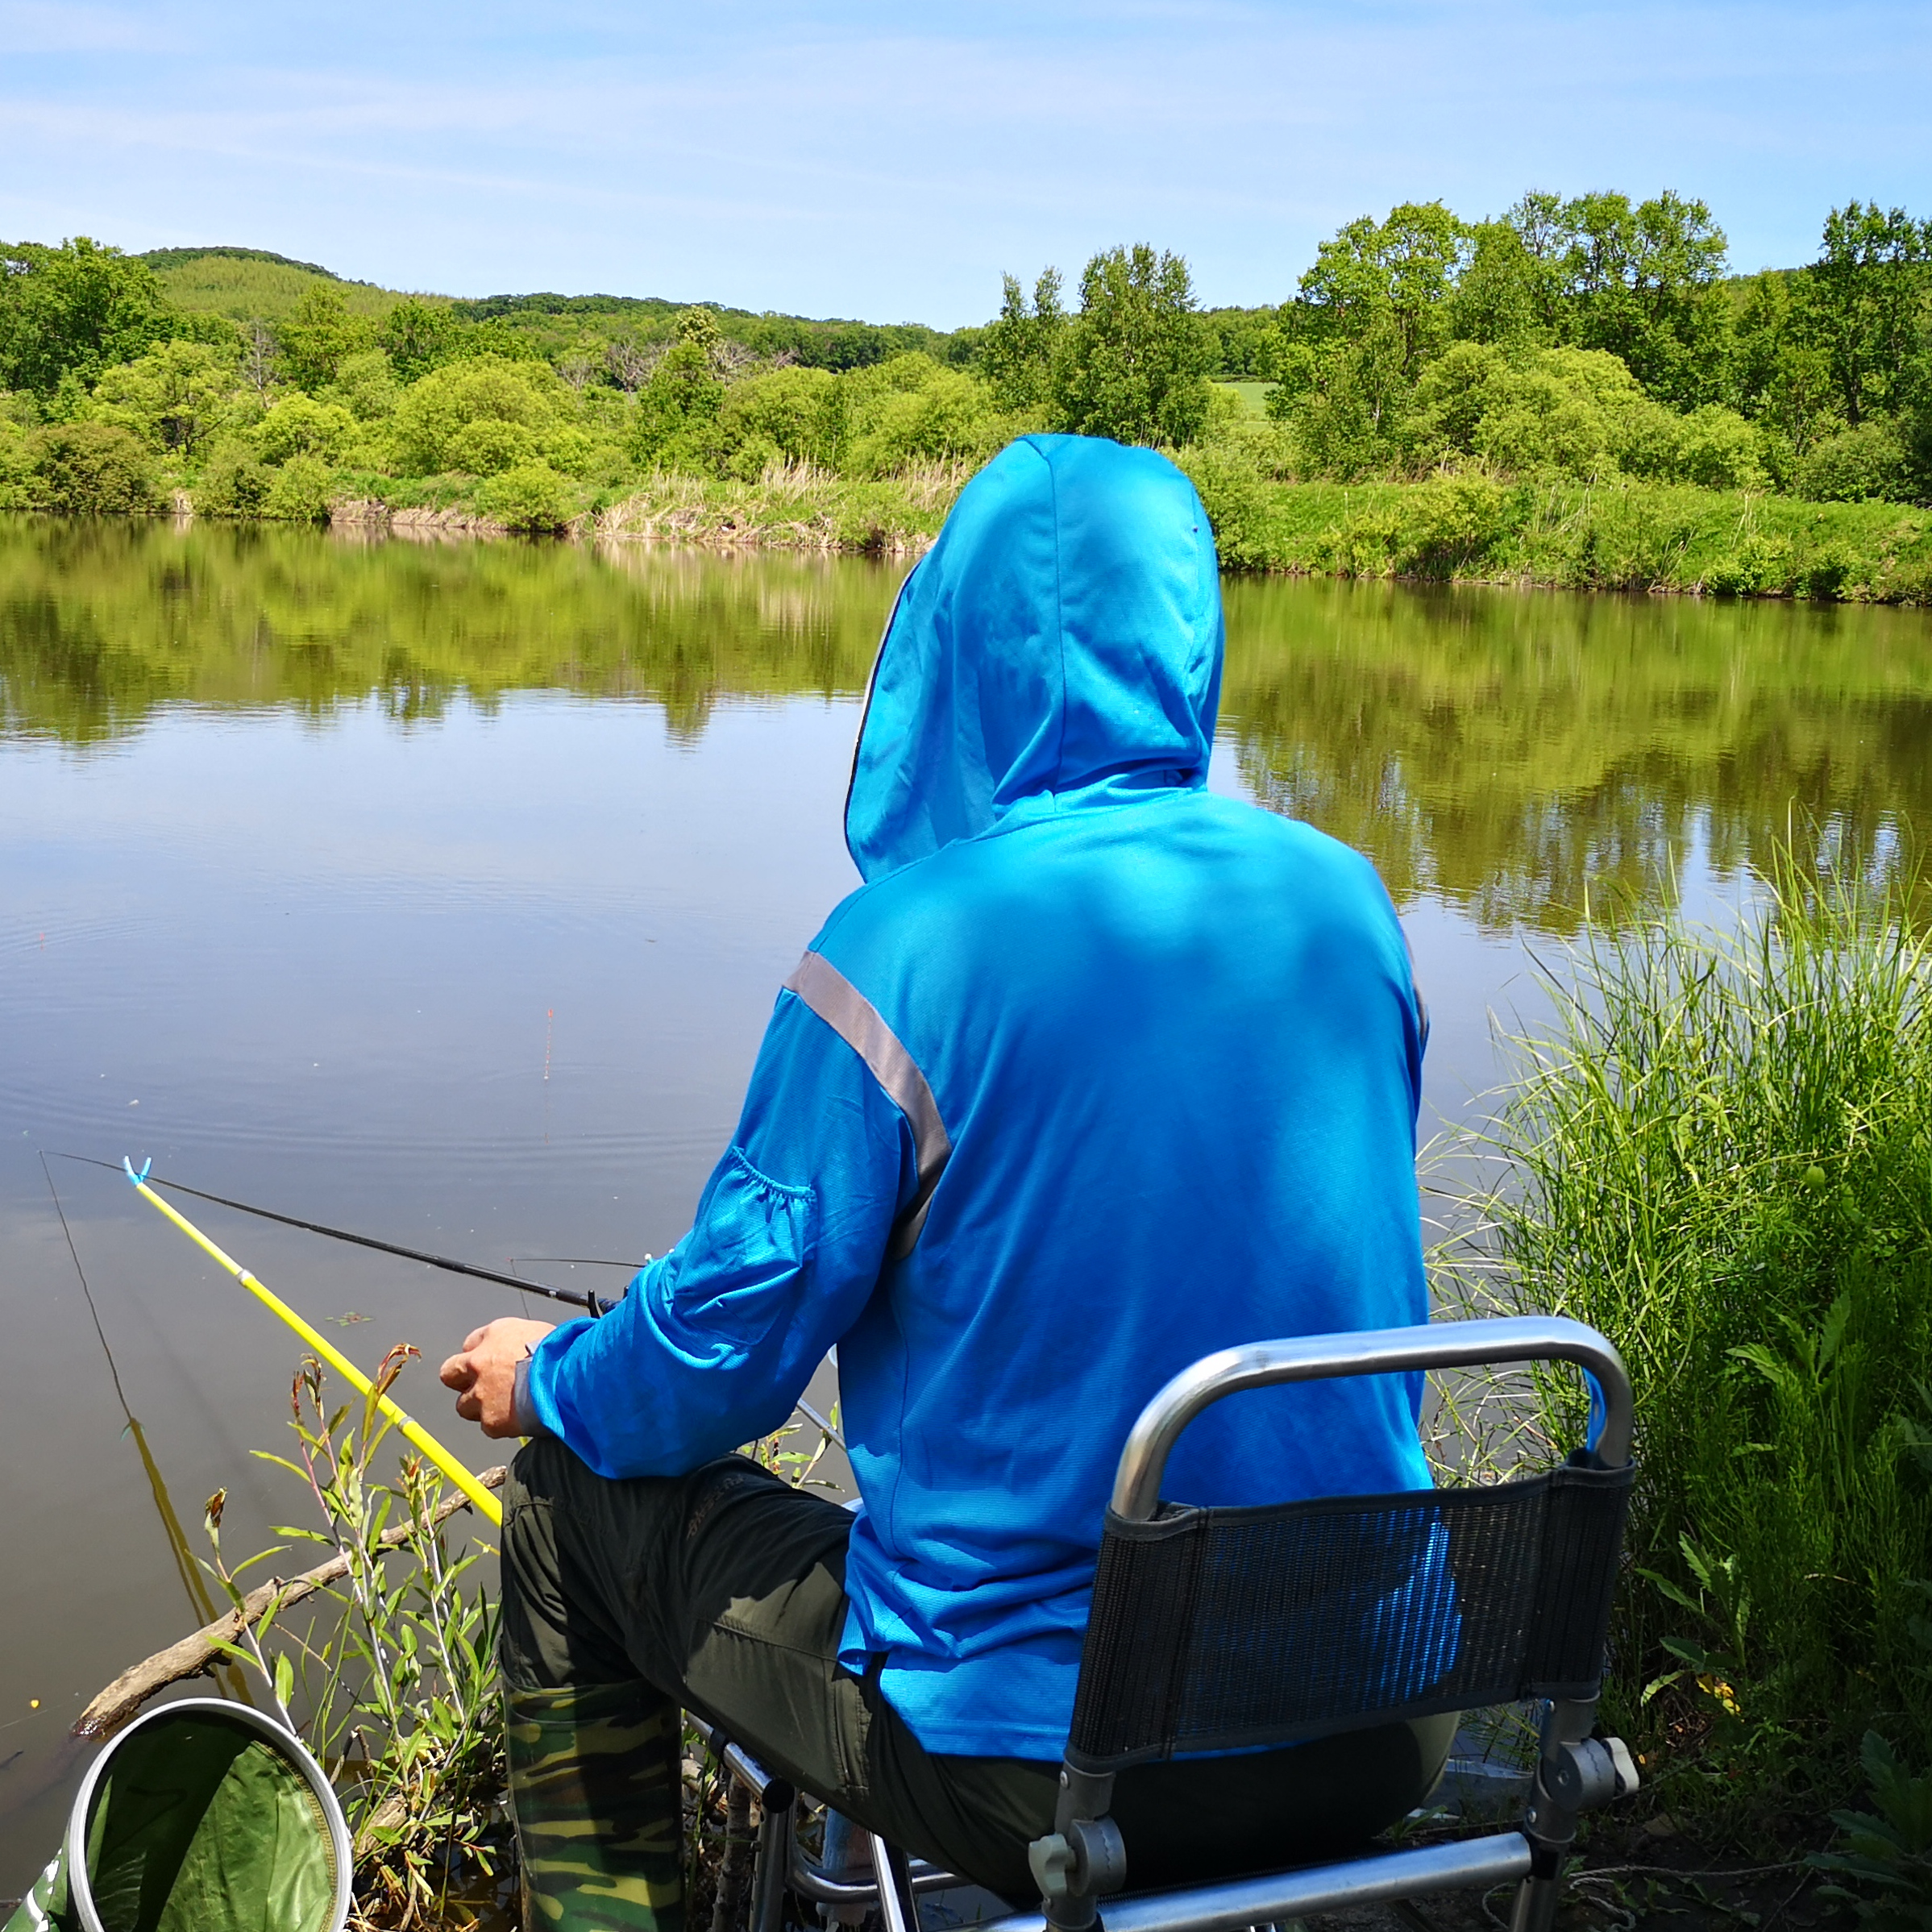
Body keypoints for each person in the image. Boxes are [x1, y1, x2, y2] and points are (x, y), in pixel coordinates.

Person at [440, 433, 1450, 1932]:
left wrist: (556, 1374)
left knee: (567, 1508)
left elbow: (718, 1360)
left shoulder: (899, 952)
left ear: (954, 647)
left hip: (1058, 1762)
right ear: (1190, 637)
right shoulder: (1342, 908)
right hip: (1381, 1713)